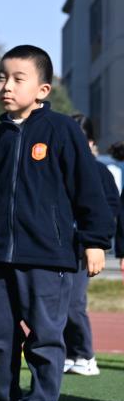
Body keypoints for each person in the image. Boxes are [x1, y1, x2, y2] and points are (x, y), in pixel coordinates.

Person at [0, 46, 113, 401]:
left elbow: (89, 188)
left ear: (43, 89)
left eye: (18, 78)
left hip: (48, 257)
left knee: (46, 336)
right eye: (1, 77)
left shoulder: (62, 131)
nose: (6, 85)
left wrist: (95, 241)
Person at [62, 114, 120, 377]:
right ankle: (66, 353)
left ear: (91, 142)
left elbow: (110, 209)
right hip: (54, 248)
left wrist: (95, 241)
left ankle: (85, 355)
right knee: (55, 303)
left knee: (74, 302)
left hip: (81, 248)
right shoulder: (58, 168)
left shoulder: (98, 172)